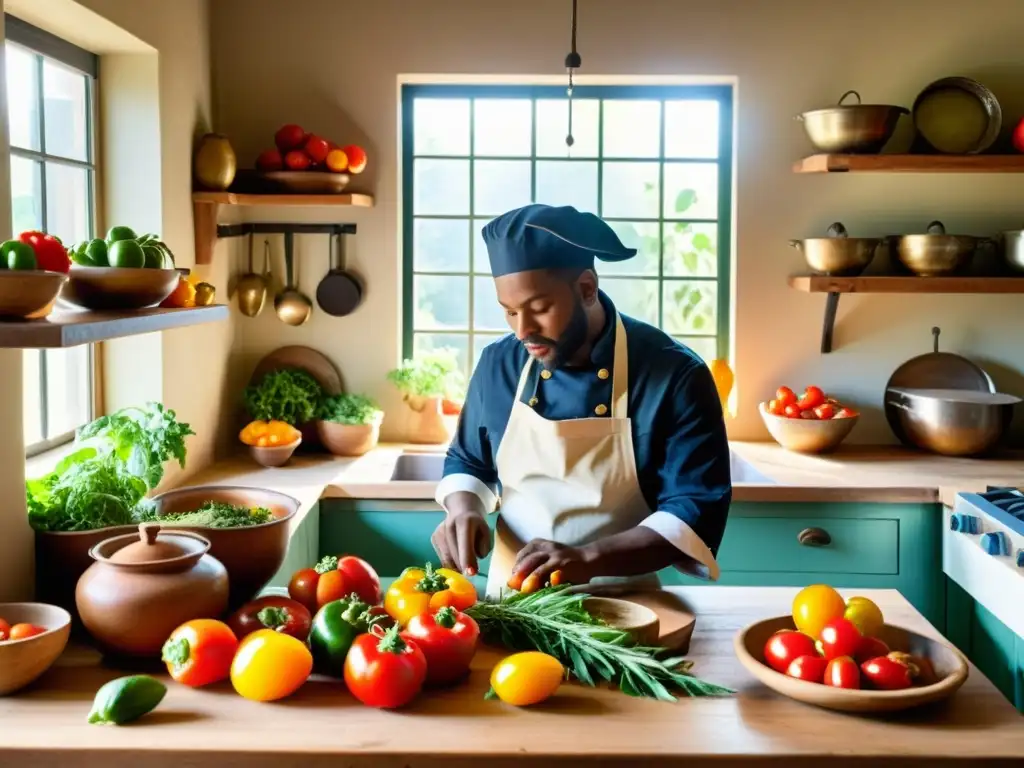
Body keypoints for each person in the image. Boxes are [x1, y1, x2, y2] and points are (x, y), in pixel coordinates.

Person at [430, 203, 731, 598]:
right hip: (510, 602)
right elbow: (470, 459)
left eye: (539, 309)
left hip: (626, 604)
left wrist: (589, 558)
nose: (523, 331)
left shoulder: (674, 375)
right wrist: (463, 507)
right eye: (510, 312)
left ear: (587, 288)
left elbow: (693, 508)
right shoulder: (498, 363)